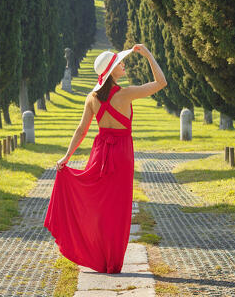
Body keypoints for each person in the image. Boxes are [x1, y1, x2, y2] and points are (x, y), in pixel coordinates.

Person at [44, 44, 167, 274]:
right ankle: (112, 261)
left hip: (100, 153)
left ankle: (98, 255)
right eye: (120, 62)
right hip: (121, 154)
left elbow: (81, 130)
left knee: (98, 206)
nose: (124, 64)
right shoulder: (126, 94)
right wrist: (149, 54)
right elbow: (161, 83)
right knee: (117, 211)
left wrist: (67, 157)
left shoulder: (91, 98)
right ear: (111, 71)